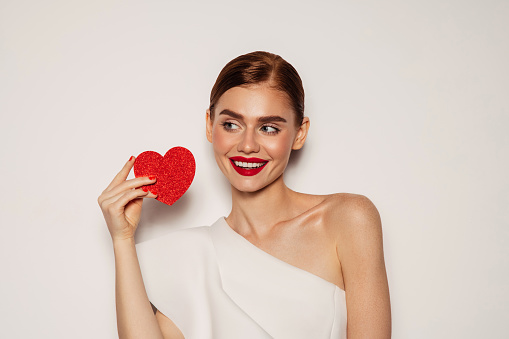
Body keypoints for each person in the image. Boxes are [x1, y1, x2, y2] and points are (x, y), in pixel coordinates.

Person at [98, 51, 391, 338]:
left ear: (300, 133)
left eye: (268, 127)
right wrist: (122, 239)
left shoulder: (348, 219)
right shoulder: (192, 256)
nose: (248, 145)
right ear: (209, 126)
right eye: (231, 124)